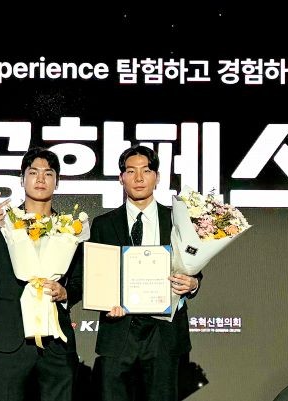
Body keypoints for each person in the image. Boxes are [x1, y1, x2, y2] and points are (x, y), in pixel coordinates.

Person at [0, 147, 82, 401]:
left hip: (56, 342)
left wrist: (65, 293)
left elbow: (79, 282)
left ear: (57, 182)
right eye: (33, 173)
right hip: (10, 339)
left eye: (48, 173)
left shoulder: (70, 228)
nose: (41, 179)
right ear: (22, 179)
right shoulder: (3, 224)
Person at [89, 145, 202, 401]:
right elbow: (96, 276)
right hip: (119, 330)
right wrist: (105, 301)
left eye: (146, 171)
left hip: (164, 334)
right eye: (131, 171)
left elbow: (195, 269)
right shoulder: (103, 225)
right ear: (121, 178)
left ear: (157, 177)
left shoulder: (178, 221)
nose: (139, 178)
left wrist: (192, 284)